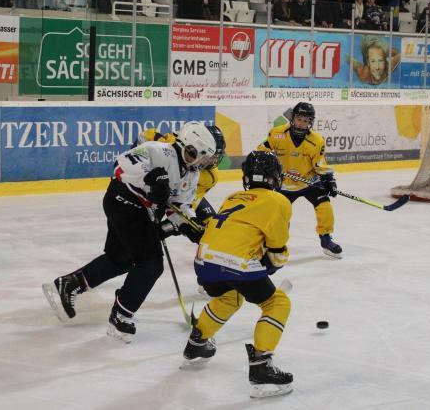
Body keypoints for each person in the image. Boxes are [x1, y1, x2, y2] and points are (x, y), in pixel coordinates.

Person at [43, 122, 218, 342]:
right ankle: (121, 315)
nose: (205, 163)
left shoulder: (191, 175)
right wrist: (152, 177)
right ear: (192, 147)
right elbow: (121, 164)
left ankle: (70, 284)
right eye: (204, 156)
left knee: (121, 258)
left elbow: (178, 207)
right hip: (122, 201)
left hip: (137, 211)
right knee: (151, 263)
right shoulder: (159, 151)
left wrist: (189, 226)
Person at [184, 151, 293, 398]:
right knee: (277, 303)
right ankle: (261, 368)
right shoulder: (278, 201)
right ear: (274, 177)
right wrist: (273, 264)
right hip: (235, 263)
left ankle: (196, 344)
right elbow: (276, 249)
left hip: (204, 262)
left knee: (230, 297)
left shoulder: (233, 197)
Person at [257, 102, 342, 257]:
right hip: (284, 185)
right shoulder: (277, 134)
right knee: (279, 215)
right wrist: (265, 165)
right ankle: (276, 243)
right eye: (299, 119)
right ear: (293, 118)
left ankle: (325, 238)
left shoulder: (316, 141)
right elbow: (261, 153)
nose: (302, 123)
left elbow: (320, 164)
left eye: (306, 120)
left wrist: (330, 181)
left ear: (311, 122)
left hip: (310, 181)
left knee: (325, 207)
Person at [135, 125, 226, 224]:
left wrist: (166, 228)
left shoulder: (211, 176)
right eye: (211, 156)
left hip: (179, 193)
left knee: (208, 223)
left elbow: (187, 202)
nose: (213, 161)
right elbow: (147, 136)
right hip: (157, 188)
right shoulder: (171, 145)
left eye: (216, 157)